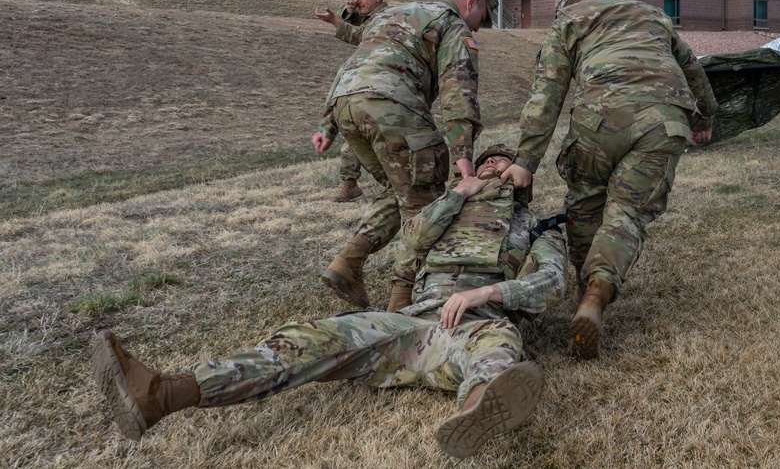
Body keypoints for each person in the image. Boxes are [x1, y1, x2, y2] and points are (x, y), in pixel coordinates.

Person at [91, 146, 566, 459]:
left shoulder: (534, 223)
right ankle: (162, 394)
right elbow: (410, 244)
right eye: (484, 161)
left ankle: (480, 404)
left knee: (498, 346)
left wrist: (489, 292)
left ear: (520, 177)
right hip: (411, 324)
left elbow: (552, 281)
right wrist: (457, 194)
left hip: (479, 322)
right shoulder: (449, 208)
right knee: (311, 337)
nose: (490, 165)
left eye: (502, 163)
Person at [500, 0, 717, 359]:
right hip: (665, 119)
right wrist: (706, 115)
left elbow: (546, 93)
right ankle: (596, 295)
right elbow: (693, 68)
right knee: (627, 213)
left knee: (585, 205)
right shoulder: (650, 12)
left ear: (561, 7)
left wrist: (526, 160)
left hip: (600, 117)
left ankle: (584, 290)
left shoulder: (568, 20)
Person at [312, 0, 498, 312]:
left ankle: (348, 262)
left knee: (400, 190)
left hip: (346, 105)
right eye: (481, 18)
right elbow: (459, 91)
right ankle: (403, 305)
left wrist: (328, 125)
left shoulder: (392, 13)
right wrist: (464, 160)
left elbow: (352, 65)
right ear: (471, 3)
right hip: (392, 105)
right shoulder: (452, 23)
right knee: (424, 203)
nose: (477, 29)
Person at [315, 0, 391, 201]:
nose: (358, 1)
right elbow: (359, 25)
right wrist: (347, 12)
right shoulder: (372, 15)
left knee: (382, 133)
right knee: (352, 127)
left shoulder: (385, 16)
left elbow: (362, 36)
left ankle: (395, 183)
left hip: (382, 79)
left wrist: (335, 22)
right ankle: (350, 183)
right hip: (366, 79)